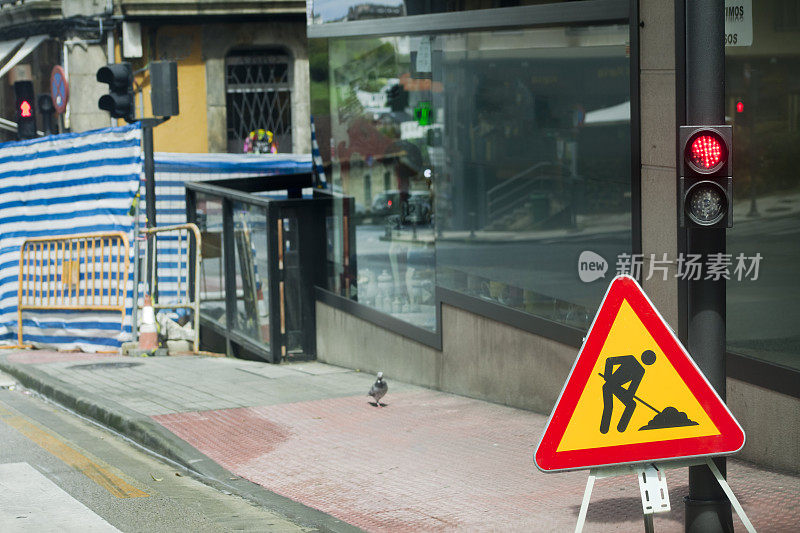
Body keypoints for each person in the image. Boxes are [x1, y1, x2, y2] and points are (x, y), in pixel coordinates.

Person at [599, 350, 657, 433]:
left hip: (617, 387)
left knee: (631, 404)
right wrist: (607, 376)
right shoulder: (630, 359)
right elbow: (609, 360)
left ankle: (621, 428)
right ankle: (604, 430)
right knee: (609, 406)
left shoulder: (641, 371)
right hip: (608, 385)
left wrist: (628, 395)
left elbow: (633, 388)